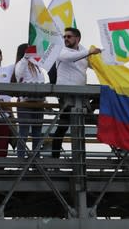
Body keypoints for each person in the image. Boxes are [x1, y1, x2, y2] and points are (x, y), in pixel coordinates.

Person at [51, 28, 102, 159]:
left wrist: (107, 57)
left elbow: (98, 64)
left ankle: (78, 159)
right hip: (66, 97)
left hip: (80, 96)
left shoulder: (83, 52)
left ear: (77, 39)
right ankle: (55, 161)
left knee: (76, 125)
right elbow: (69, 58)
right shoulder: (62, 50)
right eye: (65, 37)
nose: (66, 39)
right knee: (63, 128)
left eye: (69, 36)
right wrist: (90, 52)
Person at [13, 44, 47, 160]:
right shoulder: (21, 63)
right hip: (25, 103)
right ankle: (20, 159)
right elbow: (19, 74)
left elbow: (41, 80)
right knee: (23, 132)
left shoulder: (37, 65)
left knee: (37, 134)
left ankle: (36, 159)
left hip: (38, 103)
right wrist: (26, 57)